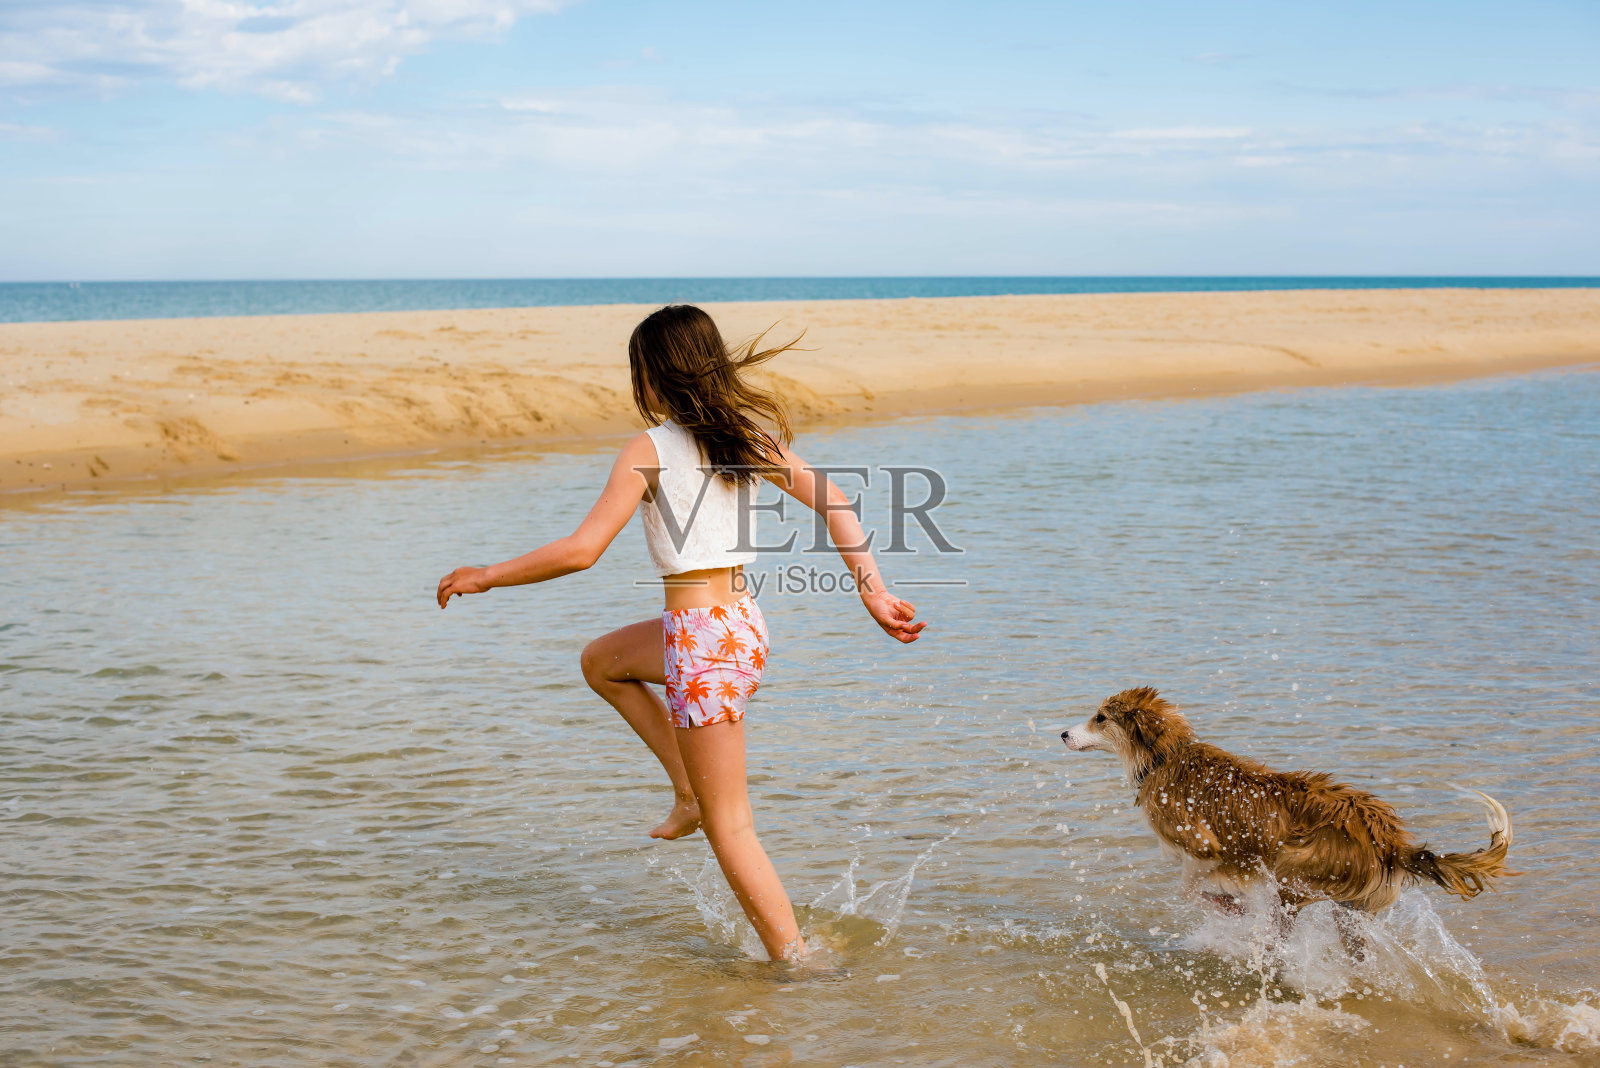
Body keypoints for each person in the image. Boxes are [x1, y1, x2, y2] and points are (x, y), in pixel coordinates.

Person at [436, 304, 926, 961]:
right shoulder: (744, 437)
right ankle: (687, 791)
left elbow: (583, 550)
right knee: (602, 661)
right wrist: (874, 591)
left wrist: (488, 574)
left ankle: (794, 960)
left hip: (701, 642)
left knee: (733, 827)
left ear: (653, 376)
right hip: (738, 627)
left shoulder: (651, 450)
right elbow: (837, 501)